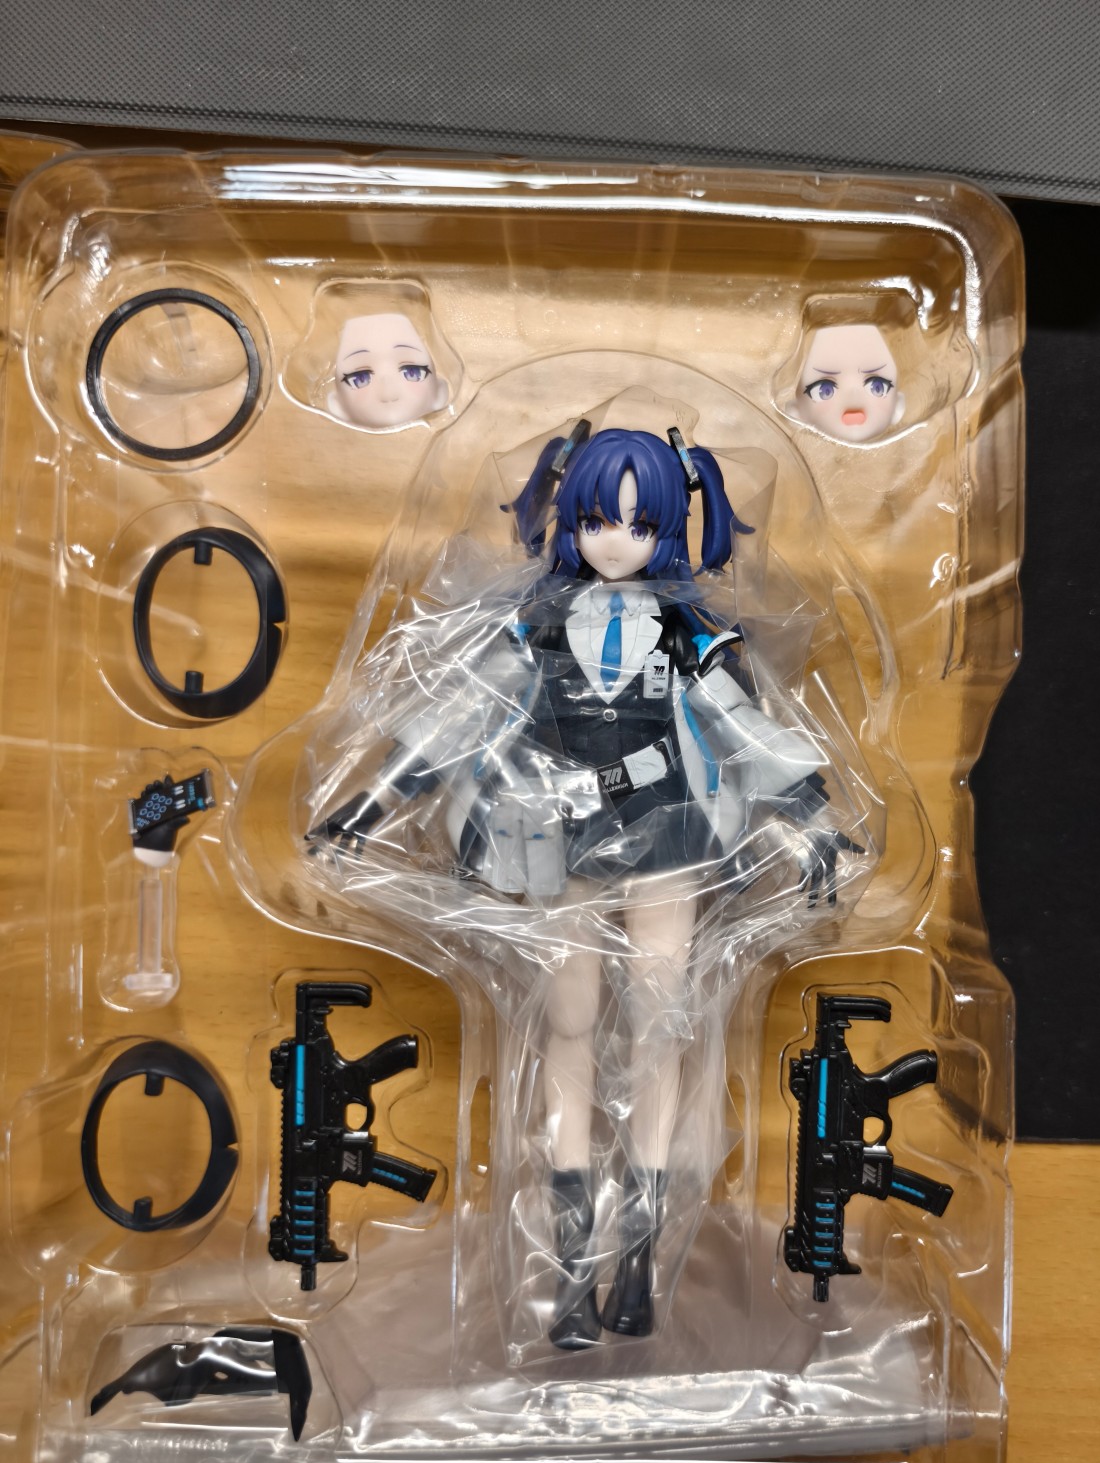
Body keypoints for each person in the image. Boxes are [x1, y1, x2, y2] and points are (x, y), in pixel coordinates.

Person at [314, 423, 871, 1349]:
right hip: (560, 844)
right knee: (567, 1028)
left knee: (661, 1026)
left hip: (672, 842)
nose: (617, 540)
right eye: (598, 520)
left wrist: (814, 822)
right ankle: (570, 1264)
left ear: (671, 527)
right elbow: (456, 719)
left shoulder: (691, 632)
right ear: (568, 518)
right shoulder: (532, 625)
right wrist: (366, 807)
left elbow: (744, 730)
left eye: (640, 524)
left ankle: (638, 1262)